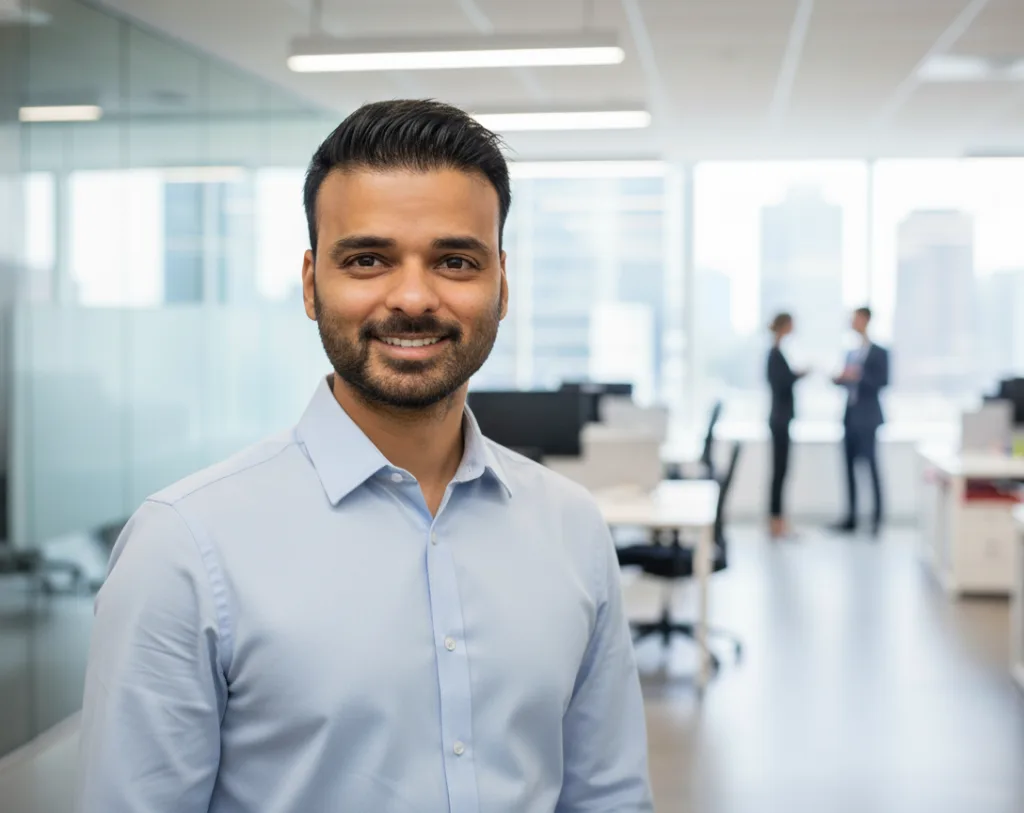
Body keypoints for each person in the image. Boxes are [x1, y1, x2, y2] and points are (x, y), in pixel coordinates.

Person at [76, 100, 653, 813]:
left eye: (454, 260)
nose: (412, 297)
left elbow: (608, 797)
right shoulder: (185, 548)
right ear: (312, 282)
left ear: (501, 283)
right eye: (368, 259)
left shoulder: (570, 527)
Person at [831, 306, 889, 536]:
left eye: (855, 319)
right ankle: (851, 519)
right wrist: (840, 379)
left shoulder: (879, 352)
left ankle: (876, 520)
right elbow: (847, 381)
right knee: (848, 469)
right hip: (850, 417)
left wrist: (859, 377)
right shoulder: (851, 353)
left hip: (868, 419)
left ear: (866, 320)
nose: (852, 323)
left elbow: (883, 381)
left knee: (872, 468)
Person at [766, 312, 806, 539]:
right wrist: (797, 375)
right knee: (779, 472)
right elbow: (781, 383)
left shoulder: (777, 352)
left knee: (782, 471)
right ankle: (776, 522)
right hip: (779, 420)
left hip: (782, 419)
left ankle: (778, 521)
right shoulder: (774, 354)